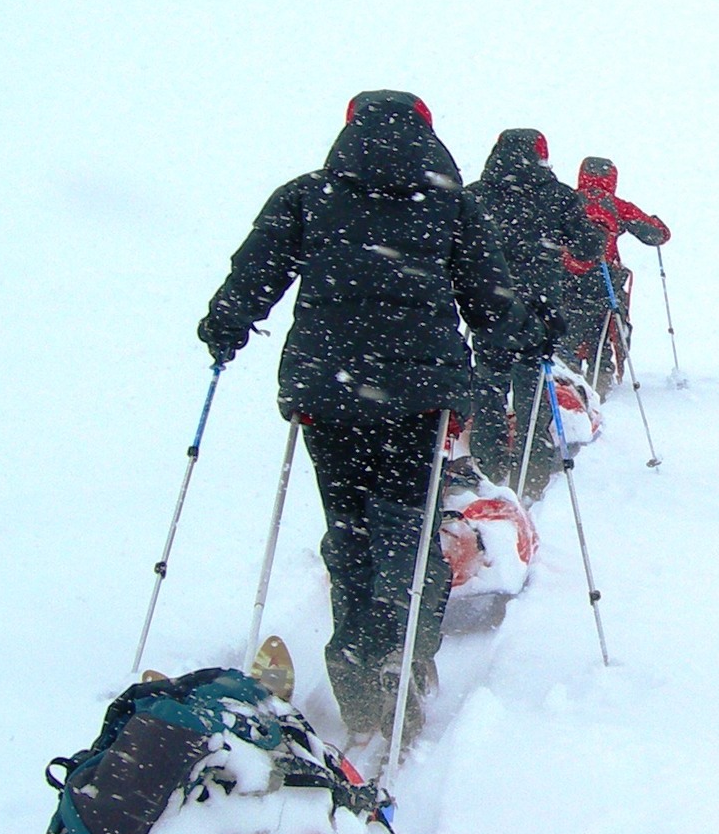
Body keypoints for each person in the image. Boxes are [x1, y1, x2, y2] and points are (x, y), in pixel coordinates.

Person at [196, 91, 548, 755]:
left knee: (350, 524)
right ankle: (403, 657)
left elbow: (256, 272)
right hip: (417, 396)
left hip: (329, 394)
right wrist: (512, 341)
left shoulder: (309, 194)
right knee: (410, 531)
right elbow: (490, 295)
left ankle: (358, 664)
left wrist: (227, 323)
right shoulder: (450, 203)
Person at [464, 129, 600, 500]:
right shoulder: (557, 196)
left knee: (489, 386)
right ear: (542, 156)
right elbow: (588, 246)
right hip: (539, 310)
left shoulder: (475, 195)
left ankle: (489, 470)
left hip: (489, 305)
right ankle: (532, 473)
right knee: (532, 391)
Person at [558, 156, 670, 390]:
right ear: (612, 179)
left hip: (566, 277)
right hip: (604, 278)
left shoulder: (566, 200)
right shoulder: (616, 205)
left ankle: (567, 378)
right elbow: (657, 234)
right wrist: (658, 225)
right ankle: (601, 378)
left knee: (568, 326)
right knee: (603, 329)